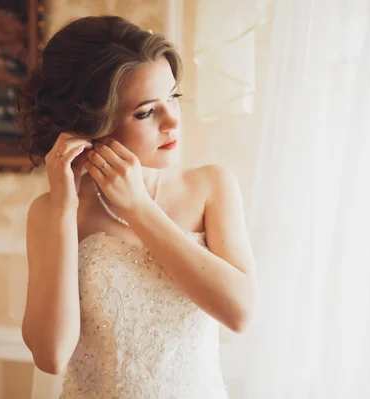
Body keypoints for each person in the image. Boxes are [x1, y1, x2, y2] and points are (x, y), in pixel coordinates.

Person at [16, 15, 257, 399]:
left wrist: (139, 208)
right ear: (92, 124)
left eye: (172, 98)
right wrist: (64, 209)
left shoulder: (211, 186)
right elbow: (52, 355)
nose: (172, 120)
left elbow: (239, 313)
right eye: (146, 112)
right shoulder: (51, 212)